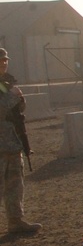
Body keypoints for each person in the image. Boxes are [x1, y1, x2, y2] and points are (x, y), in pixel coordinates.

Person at [0, 48, 41, 234]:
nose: (3, 63)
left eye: (5, 61)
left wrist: (18, 98)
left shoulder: (6, 83)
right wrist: (13, 97)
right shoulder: (8, 88)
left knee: (15, 186)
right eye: (1, 61)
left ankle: (15, 221)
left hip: (12, 143)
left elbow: (19, 108)